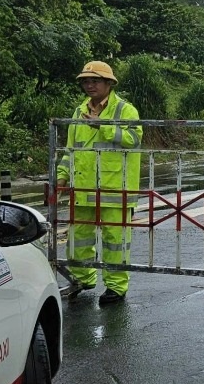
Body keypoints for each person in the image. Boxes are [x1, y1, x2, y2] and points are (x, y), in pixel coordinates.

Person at [56, 60, 142, 306]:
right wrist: (62, 175)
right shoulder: (78, 111)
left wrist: (102, 127)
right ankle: (81, 278)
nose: (89, 85)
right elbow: (71, 149)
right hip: (82, 188)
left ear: (109, 83)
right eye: (85, 81)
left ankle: (115, 287)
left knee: (115, 241)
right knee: (79, 238)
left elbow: (133, 140)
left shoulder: (125, 110)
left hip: (115, 190)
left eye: (94, 81)